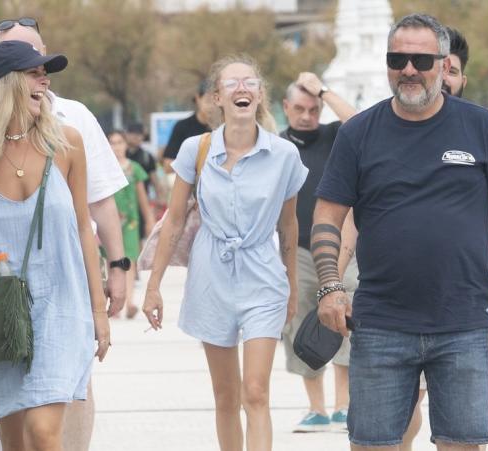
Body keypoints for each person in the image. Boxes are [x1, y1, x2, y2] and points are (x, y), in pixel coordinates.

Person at [312, 13, 488, 450]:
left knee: (461, 444)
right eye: (397, 58)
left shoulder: (481, 127)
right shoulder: (359, 133)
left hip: (463, 320)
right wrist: (329, 286)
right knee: (373, 445)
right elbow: (327, 216)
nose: (408, 69)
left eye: (421, 59)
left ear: (443, 63)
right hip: (380, 321)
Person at [0, 20, 128, 451]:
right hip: (0, 307)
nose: (45, 81)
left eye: (46, 73)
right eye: (34, 73)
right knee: (14, 440)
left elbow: (84, 226)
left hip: (63, 303)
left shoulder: (68, 144)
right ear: (5, 85)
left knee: (44, 432)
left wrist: (99, 311)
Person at [142, 54, 308, 451]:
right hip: (210, 277)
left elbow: (289, 227)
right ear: (216, 97)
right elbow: (175, 220)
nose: (241, 89)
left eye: (249, 82)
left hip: (263, 278)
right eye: (231, 83)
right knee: (226, 396)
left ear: (260, 95)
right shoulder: (194, 150)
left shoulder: (284, 155)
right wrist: (153, 285)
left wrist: (292, 286)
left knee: (255, 392)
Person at [401, 27, 488, 451]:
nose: (444, 75)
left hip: (472, 294)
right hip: (400, 296)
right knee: (403, 401)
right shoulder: (395, 126)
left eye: (452, 69)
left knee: (465, 416)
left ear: (461, 78)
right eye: (439, 66)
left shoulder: (487, 131)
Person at [279, 72, 356, 432]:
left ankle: (343, 405)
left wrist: (324, 89)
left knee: (343, 320)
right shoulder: (277, 146)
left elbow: (358, 121)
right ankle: (317, 407)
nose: (307, 115)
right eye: (299, 108)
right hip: (296, 251)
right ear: (285, 108)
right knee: (300, 325)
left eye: (314, 108)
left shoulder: (334, 136)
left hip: (341, 247)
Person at [108, 130, 156, 319]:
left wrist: (149, 219)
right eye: (112, 142)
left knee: (129, 260)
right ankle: (113, 303)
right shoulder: (102, 167)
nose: (116, 146)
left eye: (119, 142)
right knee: (110, 260)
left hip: (131, 222)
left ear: (125, 145)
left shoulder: (134, 168)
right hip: (109, 221)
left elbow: (142, 196)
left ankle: (129, 302)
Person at [162, 80, 212, 174]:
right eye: (208, 100)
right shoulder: (182, 127)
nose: (212, 106)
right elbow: (168, 165)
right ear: (198, 98)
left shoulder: (225, 127)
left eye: (216, 100)